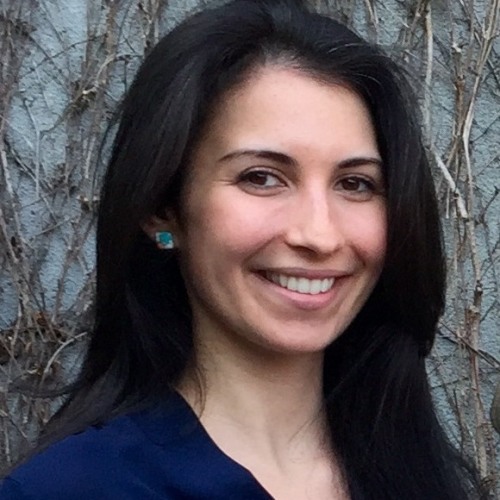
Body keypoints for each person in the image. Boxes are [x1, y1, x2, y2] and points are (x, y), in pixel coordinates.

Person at [0, 0, 483, 498]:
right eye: (262, 178)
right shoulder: (71, 490)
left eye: (356, 184)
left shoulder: (417, 472)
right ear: (162, 208)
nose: (320, 235)